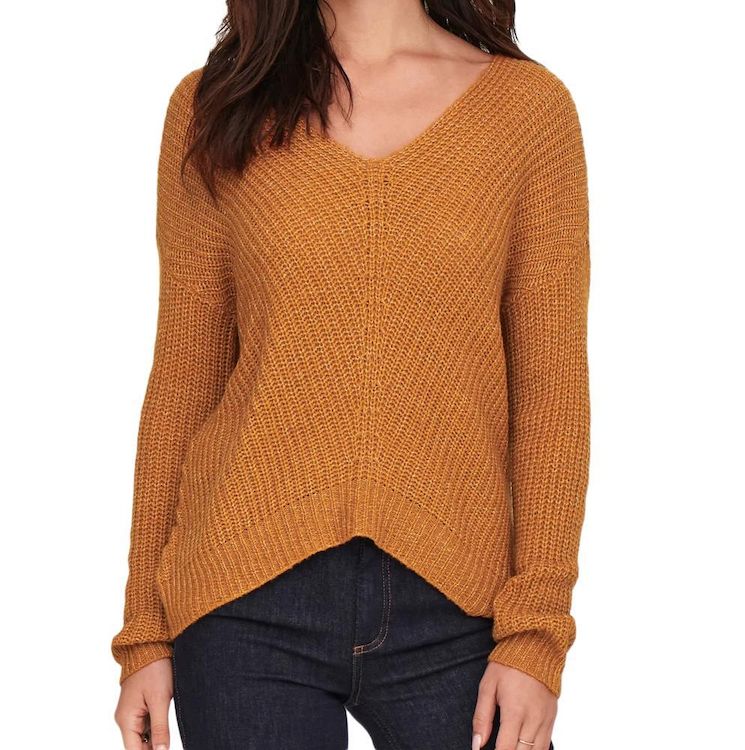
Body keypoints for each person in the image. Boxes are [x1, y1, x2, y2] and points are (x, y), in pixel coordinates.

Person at [111, 1, 591, 748]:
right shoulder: (217, 105)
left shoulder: (527, 112)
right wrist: (144, 631)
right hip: (243, 598)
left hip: (460, 604)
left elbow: (551, 395)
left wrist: (536, 634)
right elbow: (183, 381)